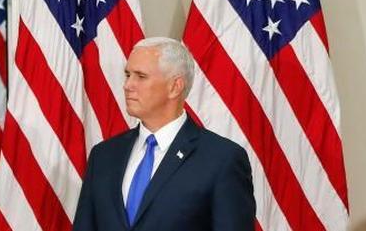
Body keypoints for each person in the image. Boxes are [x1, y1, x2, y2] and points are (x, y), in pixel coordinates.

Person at [72, 37, 255, 231]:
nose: (127, 85)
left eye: (141, 76)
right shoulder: (103, 155)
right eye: (128, 74)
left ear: (175, 87)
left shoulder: (222, 160)